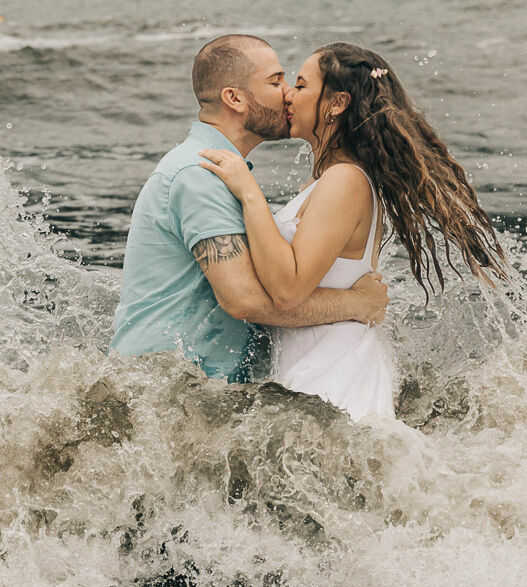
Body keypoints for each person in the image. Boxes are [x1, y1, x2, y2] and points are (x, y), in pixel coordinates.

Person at [198, 42, 510, 419]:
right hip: (320, 365)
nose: (288, 96)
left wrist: (249, 194)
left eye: (299, 84)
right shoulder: (333, 179)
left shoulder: (344, 180)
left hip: (336, 375)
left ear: (337, 103)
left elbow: (287, 289)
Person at [110, 35, 389, 384]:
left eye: (294, 83)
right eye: (276, 81)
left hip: (201, 387)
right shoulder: (200, 174)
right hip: (164, 387)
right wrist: (356, 305)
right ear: (235, 99)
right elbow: (245, 299)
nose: (287, 92)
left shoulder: (224, 173)